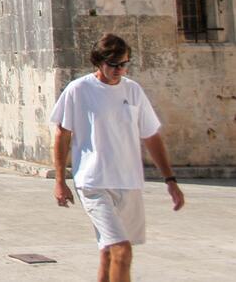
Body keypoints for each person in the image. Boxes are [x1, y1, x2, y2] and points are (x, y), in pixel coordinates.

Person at [52, 33, 183, 282]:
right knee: (122, 250)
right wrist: (60, 180)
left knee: (109, 253)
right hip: (93, 182)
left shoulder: (132, 90)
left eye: (124, 64)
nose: (119, 70)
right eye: (114, 65)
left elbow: (151, 135)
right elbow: (62, 134)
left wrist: (170, 179)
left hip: (129, 182)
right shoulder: (78, 90)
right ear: (99, 62)